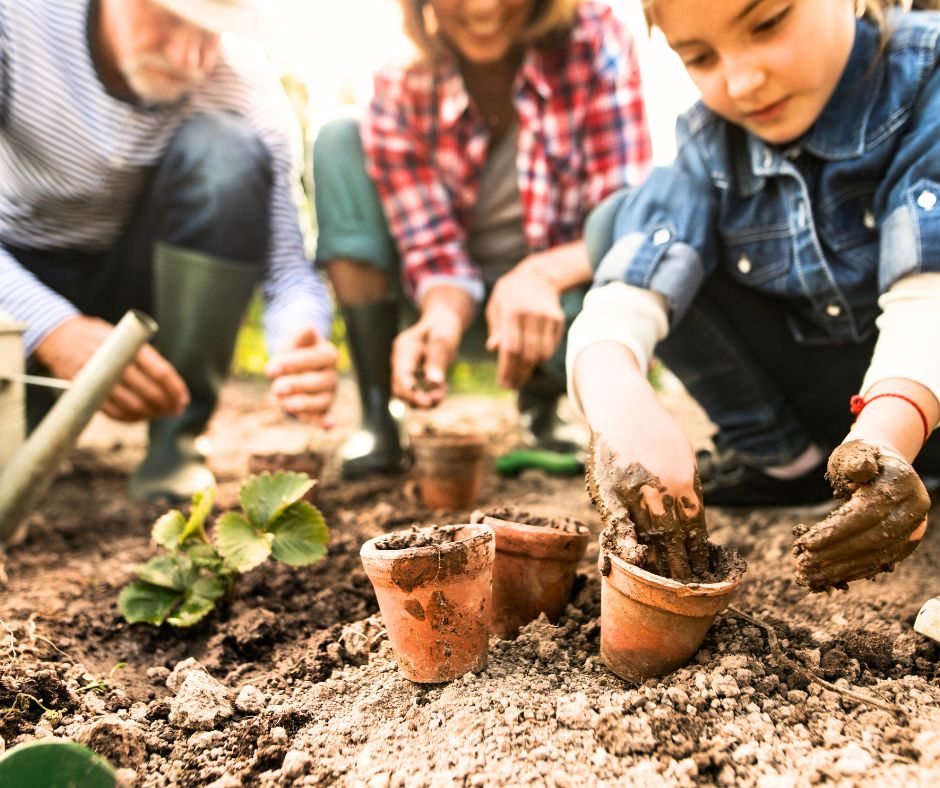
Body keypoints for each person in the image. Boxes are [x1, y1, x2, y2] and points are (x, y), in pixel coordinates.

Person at [569, 0, 940, 591]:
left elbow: (928, 293)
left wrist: (887, 437)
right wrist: (619, 403)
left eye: (767, 24)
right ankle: (786, 463)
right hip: (833, 400)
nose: (742, 83)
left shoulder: (926, 72)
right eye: (699, 57)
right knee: (618, 224)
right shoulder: (708, 141)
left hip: (917, 395)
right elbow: (630, 289)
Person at [0, 0, 339, 502]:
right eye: (171, 17)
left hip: (147, 285)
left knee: (226, 150)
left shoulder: (245, 86)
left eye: (213, 31)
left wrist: (299, 339)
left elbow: (288, 271)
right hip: (16, 285)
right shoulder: (16, 23)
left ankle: (175, 440)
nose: (189, 57)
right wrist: (51, 327)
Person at [313, 0, 652, 478]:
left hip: (559, 304)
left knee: (632, 272)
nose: (484, 5)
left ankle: (543, 400)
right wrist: (442, 315)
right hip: (449, 305)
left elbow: (623, 219)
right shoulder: (399, 83)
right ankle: (377, 409)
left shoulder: (595, 38)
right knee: (338, 139)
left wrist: (540, 276)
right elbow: (432, 250)